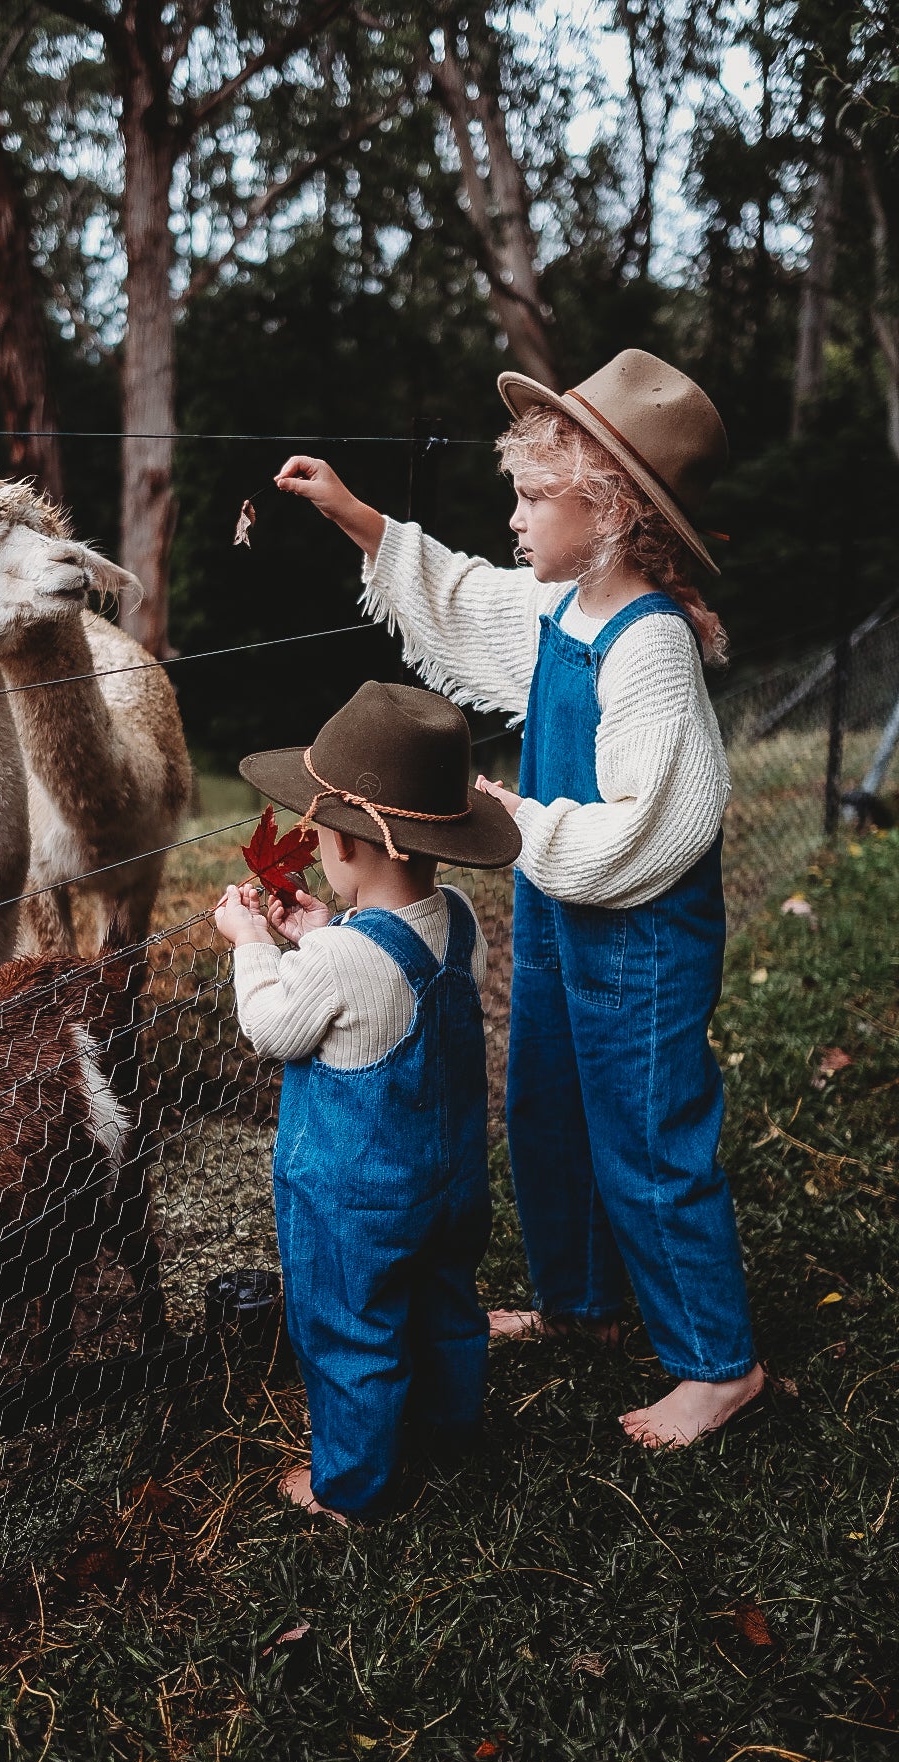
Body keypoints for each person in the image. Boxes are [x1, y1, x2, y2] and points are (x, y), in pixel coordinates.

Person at [272, 348, 766, 1448]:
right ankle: (580, 1301)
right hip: (557, 914)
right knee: (545, 1103)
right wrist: (356, 516)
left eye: (536, 496)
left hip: (637, 932)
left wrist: (524, 821)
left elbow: (655, 824)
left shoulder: (648, 651)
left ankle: (713, 1361)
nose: (514, 516)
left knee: (646, 1136)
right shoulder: (568, 604)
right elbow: (465, 602)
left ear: (617, 511)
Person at [214, 681, 521, 1521]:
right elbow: (389, 983)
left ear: (352, 845)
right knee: (444, 1305)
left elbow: (273, 1027)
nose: (311, 844)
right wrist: (321, 934)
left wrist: (252, 946)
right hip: (451, 1181)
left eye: (317, 831)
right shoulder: (458, 919)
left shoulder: (341, 963)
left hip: (353, 1203)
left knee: (351, 1334)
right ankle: (449, 1426)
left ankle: (350, 1486)